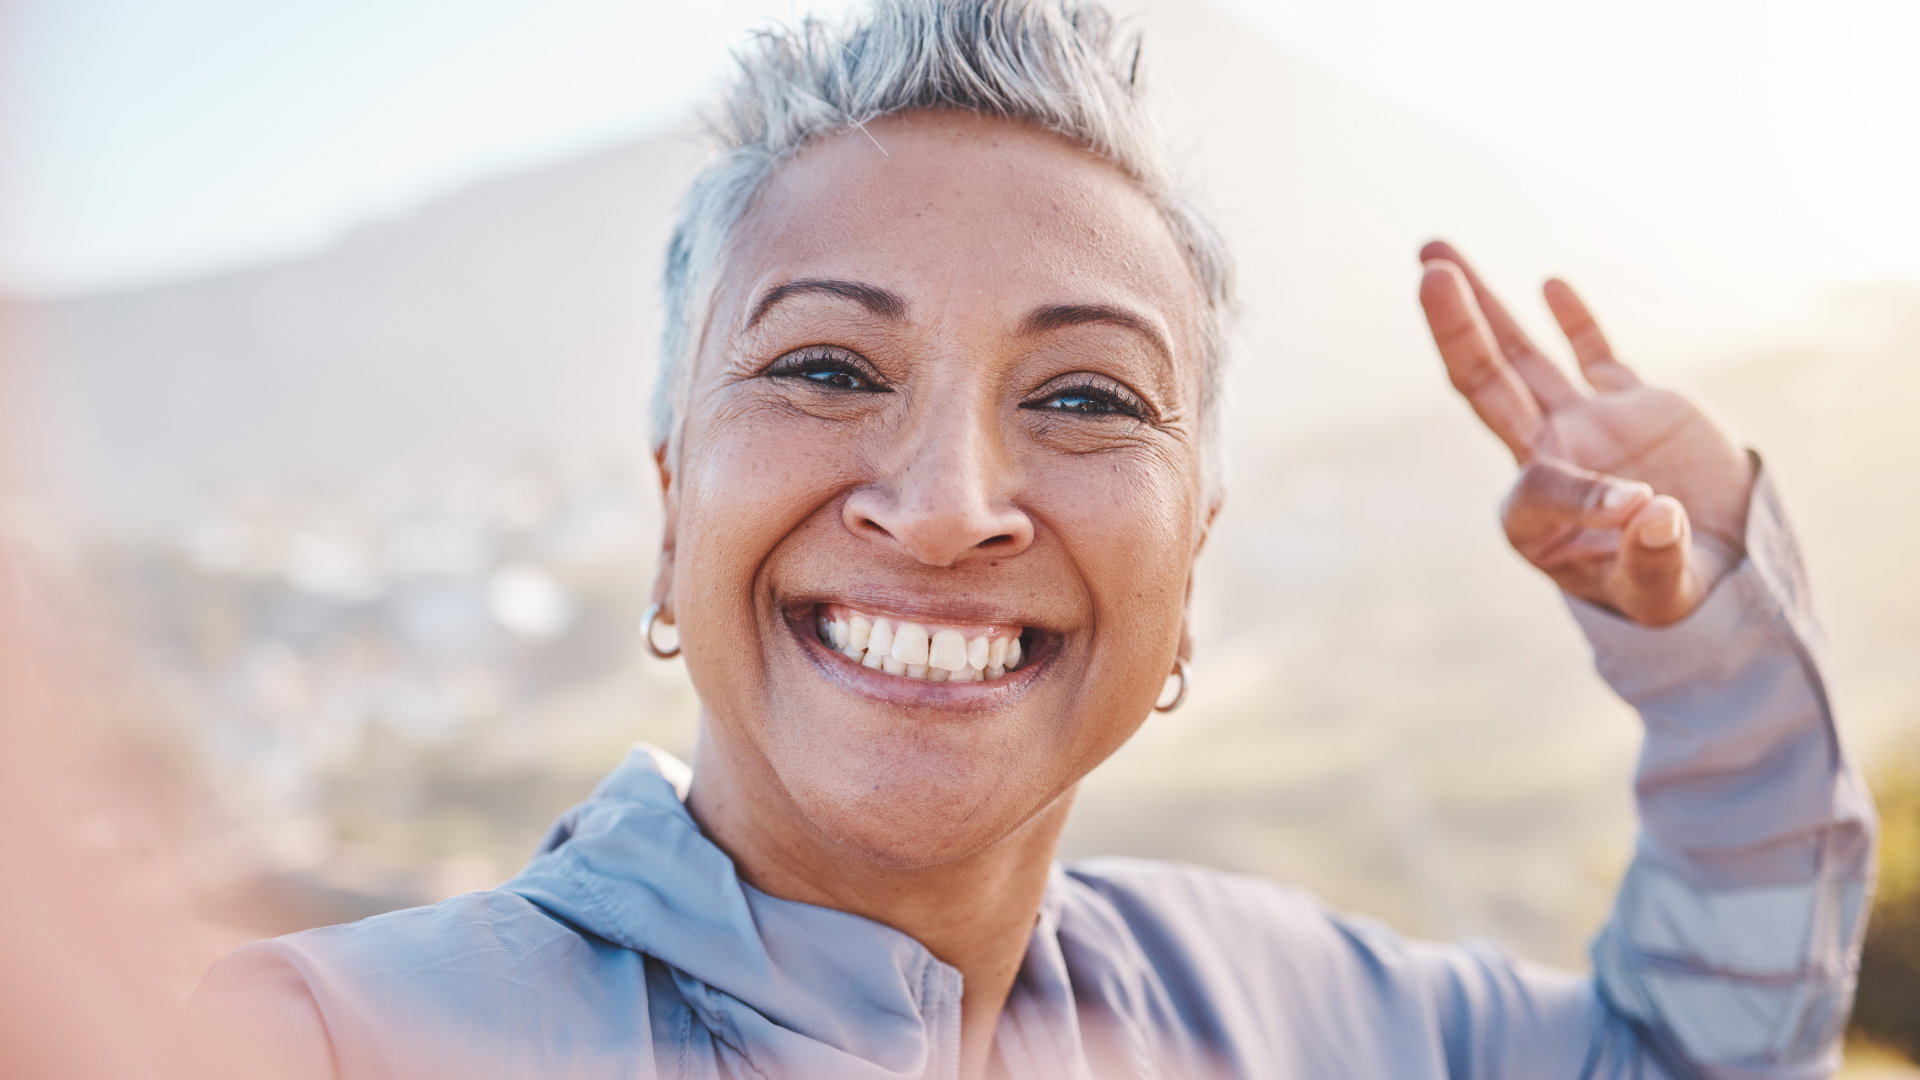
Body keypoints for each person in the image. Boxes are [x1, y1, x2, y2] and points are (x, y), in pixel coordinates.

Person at [190, 1, 1877, 1077]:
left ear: (1190, 569)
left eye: (1084, 398)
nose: (942, 506)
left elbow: (1696, 1054)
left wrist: (1714, 638)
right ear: (666, 514)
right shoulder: (330, 1041)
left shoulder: (1274, 1013)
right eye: (828, 368)